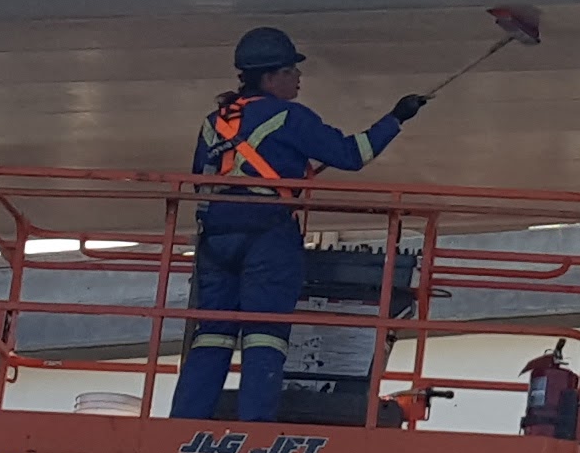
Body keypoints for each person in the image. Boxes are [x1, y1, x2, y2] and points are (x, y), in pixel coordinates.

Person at [177, 27, 425, 421]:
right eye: (292, 70)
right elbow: (352, 153)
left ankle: (184, 425)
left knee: (212, 335)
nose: (298, 78)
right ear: (271, 76)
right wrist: (396, 117)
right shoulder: (287, 116)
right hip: (267, 239)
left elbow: (203, 177)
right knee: (265, 337)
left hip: (216, 240)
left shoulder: (215, 122)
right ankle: (254, 431)